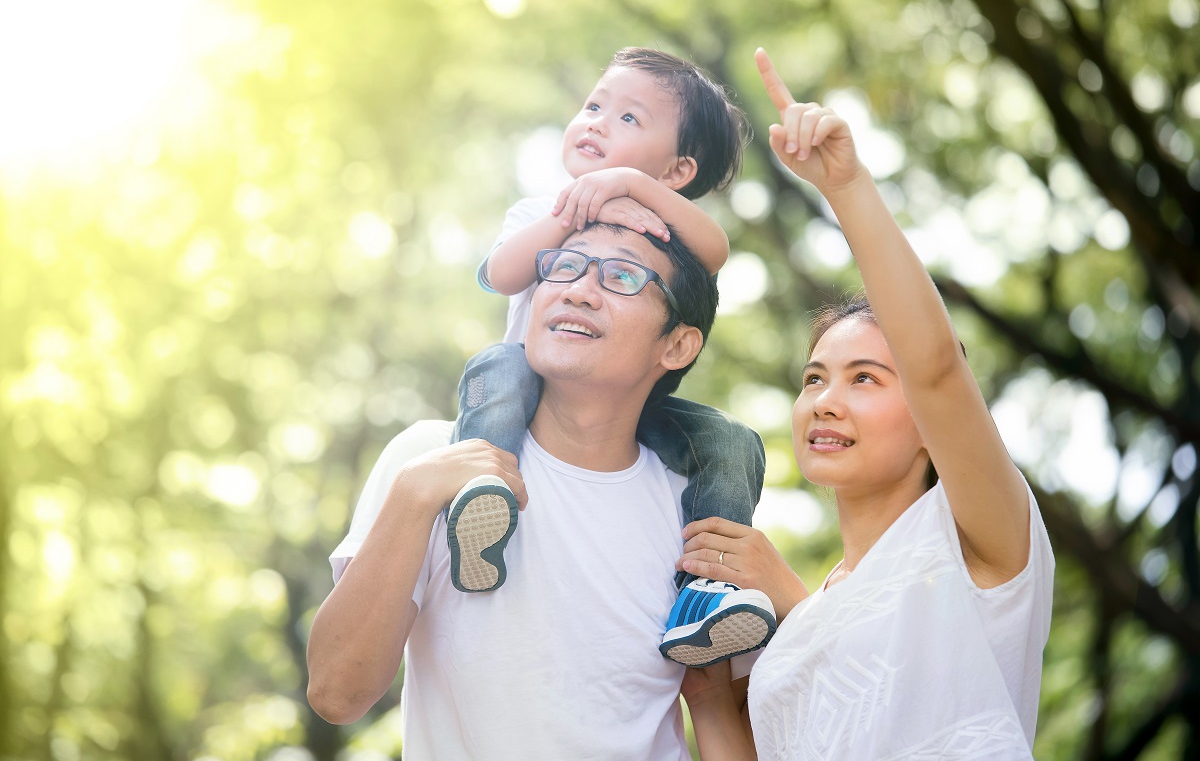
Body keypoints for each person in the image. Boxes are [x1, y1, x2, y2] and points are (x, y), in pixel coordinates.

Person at [678, 49, 1055, 760]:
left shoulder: (980, 547)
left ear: (928, 429)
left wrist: (844, 187)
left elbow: (937, 369)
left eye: (865, 379)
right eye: (814, 378)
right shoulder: (795, 628)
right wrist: (708, 688)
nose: (824, 401)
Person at [306, 221, 761, 757]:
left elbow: (725, 718)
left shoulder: (696, 510)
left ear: (678, 344)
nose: (577, 289)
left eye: (622, 275)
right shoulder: (432, 461)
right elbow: (338, 694)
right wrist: (411, 496)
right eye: (565, 266)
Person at [448, 47, 775, 666]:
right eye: (595, 105)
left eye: (629, 118)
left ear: (677, 170)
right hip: (532, 388)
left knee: (729, 441)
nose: (597, 121)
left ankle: (707, 590)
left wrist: (628, 189)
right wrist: (582, 211)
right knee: (499, 363)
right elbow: (500, 272)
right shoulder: (542, 209)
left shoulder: (669, 225)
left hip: (629, 405)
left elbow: (716, 248)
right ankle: (480, 498)